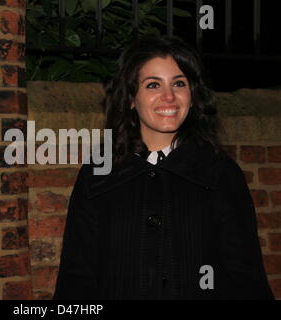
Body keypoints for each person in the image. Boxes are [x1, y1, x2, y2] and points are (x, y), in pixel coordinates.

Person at [53, 35, 274, 300]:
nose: (168, 96)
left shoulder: (220, 172)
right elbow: (77, 276)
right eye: (153, 84)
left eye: (179, 83)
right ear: (131, 98)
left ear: (192, 96)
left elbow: (245, 277)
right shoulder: (98, 172)